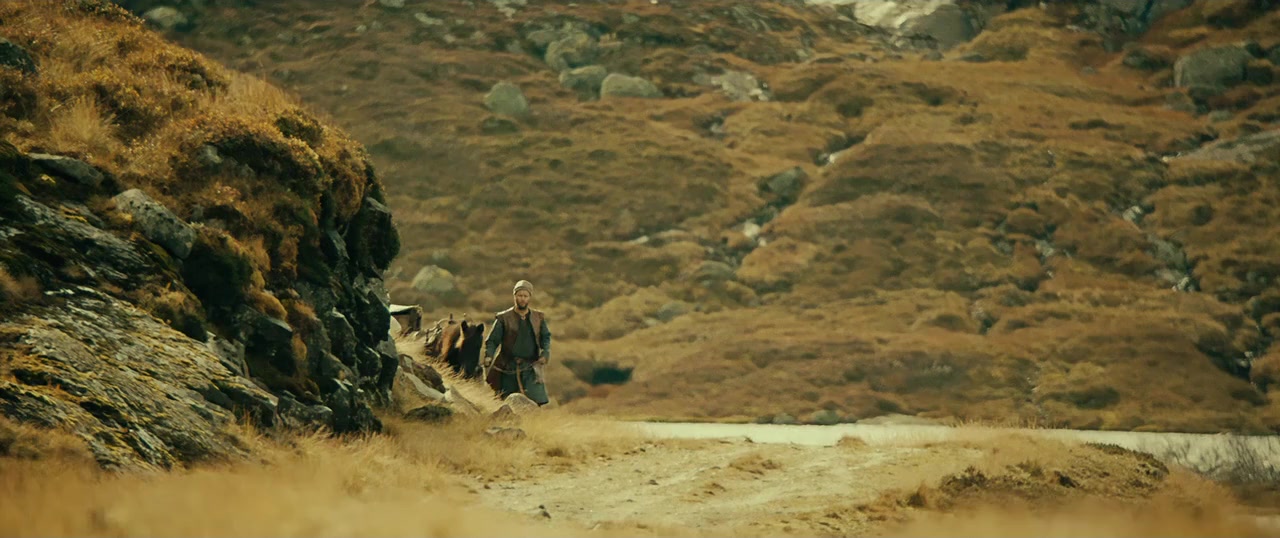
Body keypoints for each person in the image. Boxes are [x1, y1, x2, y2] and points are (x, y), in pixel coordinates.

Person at [482, 279, 552, 405]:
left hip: (531, 368)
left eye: (525, 296)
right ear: (514, 296)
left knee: (535, 402)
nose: (522, 299)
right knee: (506, 401)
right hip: (508, 367)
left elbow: (545, 338)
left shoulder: (538, 318)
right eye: (520, 295)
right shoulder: (504, 318)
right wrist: (489, 355)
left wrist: (545, 353)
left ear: (529, 297)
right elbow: (492, 340)